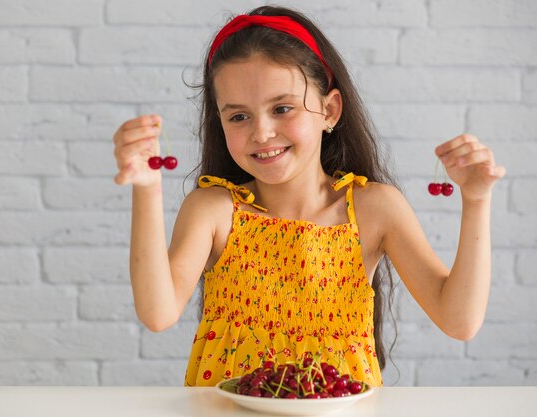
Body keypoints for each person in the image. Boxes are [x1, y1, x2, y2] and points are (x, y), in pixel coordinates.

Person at [112, 6, 505, 388]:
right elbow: (158, 313)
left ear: (330, 110)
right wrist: (146, 189)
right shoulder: (214, 210)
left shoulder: (374, 209)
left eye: (282, 108)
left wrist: (476, 201)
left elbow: (459, 321)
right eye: (238, 116)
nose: (261, 132)